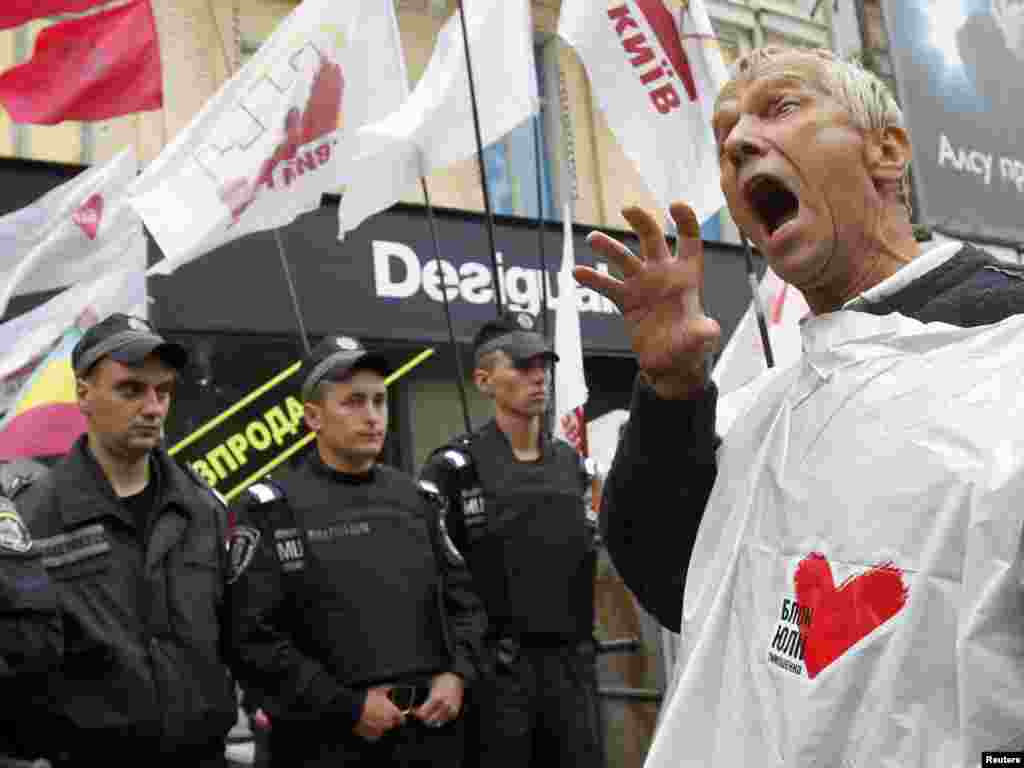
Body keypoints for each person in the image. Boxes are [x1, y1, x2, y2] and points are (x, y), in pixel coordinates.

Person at [573, 46, 1024, 763]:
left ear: (887, 150)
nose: (739, 141)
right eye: (725, 138)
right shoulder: (766, 405)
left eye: (780, 107)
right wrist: (671, 391)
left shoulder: (1006, 355)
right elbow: (676, 580)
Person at [226, 335, 486, 768]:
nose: (372, 417)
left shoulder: (418, 500)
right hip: (323, 745)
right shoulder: (273, 509)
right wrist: (346, 706)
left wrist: (457, 674)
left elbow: (467, 606)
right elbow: (252, 639)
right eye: (353, 402)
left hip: (427, 739)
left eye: (380, 401)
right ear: (313, 416)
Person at [11, 313, 237, 767]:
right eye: (130, 390)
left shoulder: (203, 508)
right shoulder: (33, 517)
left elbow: (236, 636)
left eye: (163, 391)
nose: (153, 408)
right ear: (83, 394)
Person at [419, 312, 604, 768]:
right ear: (484, 380)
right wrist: (453, 670)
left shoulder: (571, 465)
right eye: (521, 366)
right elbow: (432, 581)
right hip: (496, 676)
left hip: (571, 674)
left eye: (543, 365)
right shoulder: (453, 469)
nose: (538, 376)